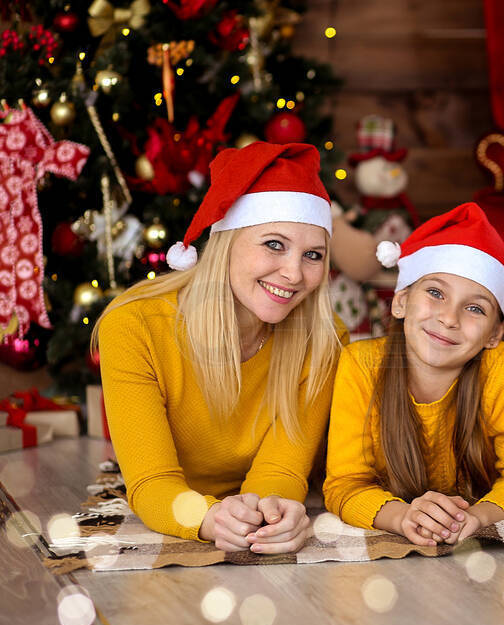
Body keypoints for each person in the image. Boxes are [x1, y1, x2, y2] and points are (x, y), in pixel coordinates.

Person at [93, 142, 345, 553]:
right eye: (274, 244)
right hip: (180, 503)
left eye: (313, 254)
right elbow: (152, 481)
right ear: (226, 241)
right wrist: (207, 519)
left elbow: (281, 467)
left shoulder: (323, 339)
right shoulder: (134, 326)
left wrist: (270, 514)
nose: (294, 273)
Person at [323, 202, 504, 546]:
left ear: (495, 333)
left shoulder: (502, 367)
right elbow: (344, 484)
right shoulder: (361, 364)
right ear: (400, 301)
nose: (449, 318)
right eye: (435, 293)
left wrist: (476, 516)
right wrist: (402, 517)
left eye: (475, 308)